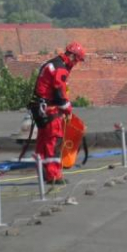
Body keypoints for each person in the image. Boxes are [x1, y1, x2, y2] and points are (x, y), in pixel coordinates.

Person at [31, 42, 86, 183]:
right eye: (77, 60)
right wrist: (68, 109)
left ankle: (44, 173)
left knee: (43, 142)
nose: (76, 64)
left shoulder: (52, 63)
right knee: (54, 141)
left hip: (39, 107)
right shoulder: (60, 69)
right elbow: (59, 94)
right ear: (72, 56)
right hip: (50, 109)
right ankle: (54, 176)